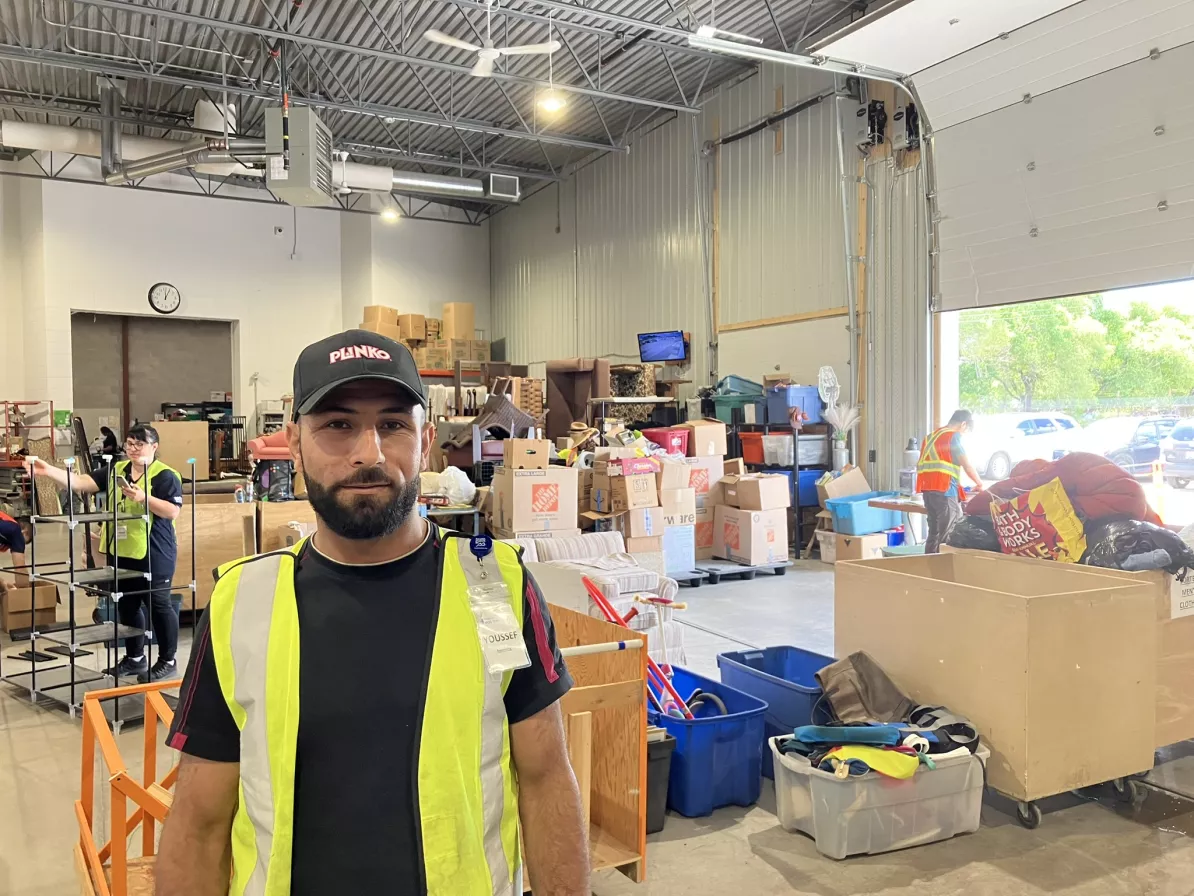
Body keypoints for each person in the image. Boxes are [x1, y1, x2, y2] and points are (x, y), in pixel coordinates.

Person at [156, 330, 590, 896]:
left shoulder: (495, 585)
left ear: (426, 439)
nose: (370, 453)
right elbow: (199, 819)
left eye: (393, 424)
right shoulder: (243, 602)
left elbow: (546, 778)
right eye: (338, 425)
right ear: (294, 443)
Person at [25, 424, 183, 681]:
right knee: (128, 605)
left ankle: (167, 660)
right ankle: (135, 658)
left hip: (154, 552)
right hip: (121, 551)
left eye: (139, 444)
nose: (133, 449)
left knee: (159, 605)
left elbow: (172, 511)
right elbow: (80, 482)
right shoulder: (116, 469)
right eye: (130, 443)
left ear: (154, 446)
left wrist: (143, 498)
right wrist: (47, 470)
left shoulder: (165, 476)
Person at [917, 409, 984, 553]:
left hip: (928, 492)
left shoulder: (930, 437)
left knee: (933, 535)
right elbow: (966, 465)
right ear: (963, 424)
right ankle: (944, 573)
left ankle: (929, 570)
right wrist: (979, 483)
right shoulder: (953, 437)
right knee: (949, 536)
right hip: (944, 491)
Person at [0, 511, 33, 593]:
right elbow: (20, 569)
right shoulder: (16, 531)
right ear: (25, 532)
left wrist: (2, 583)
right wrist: (25, 594)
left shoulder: (5, 526)